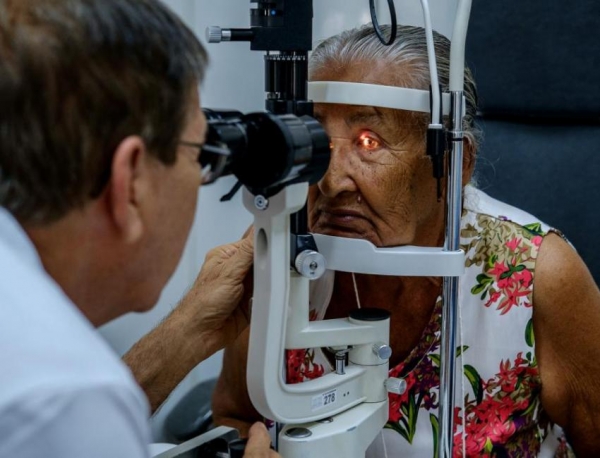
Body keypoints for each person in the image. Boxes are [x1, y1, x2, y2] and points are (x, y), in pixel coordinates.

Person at [207, 24, 600, 457]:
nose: (332, 180)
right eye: (317, 141)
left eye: (368, 141)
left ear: (454, 163)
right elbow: (236, 415)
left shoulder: (538, 278)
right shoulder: (276, 254)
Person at [0, 0, 278, 457]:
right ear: (131, 181)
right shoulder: (61, 394)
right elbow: (73, 408)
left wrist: (186, 332)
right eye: (200, 156)